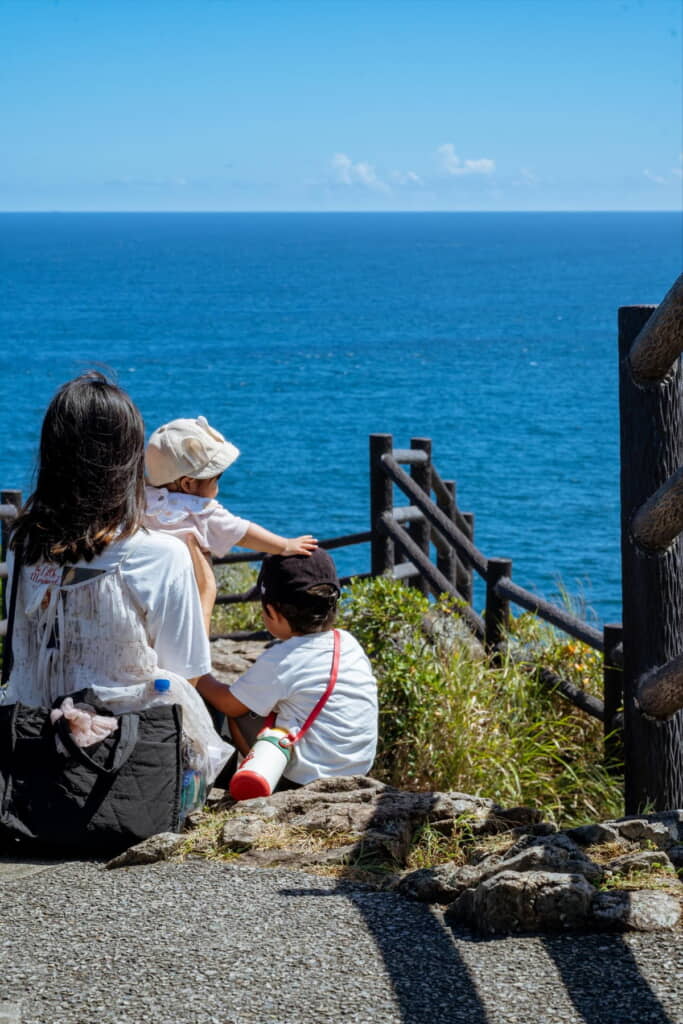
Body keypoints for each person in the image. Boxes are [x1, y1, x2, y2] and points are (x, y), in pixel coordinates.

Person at [3, 372, 230, 779]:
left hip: (32, 763)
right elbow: (185, 679)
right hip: (128, 771)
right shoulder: (160, 555)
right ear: (127, 461)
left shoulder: (23, 547)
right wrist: (207, 593)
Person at [197, 548, 378, 788]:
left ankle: (252, 777)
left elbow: (230, 703)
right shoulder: (347, 642)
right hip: (357, 769)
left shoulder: (283, 659)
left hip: (305, 779)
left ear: (272, 612)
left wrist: (197, 675)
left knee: (235, 711)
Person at [143, 415, 318, 561]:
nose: (217, 487)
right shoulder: (198, 512)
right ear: (188, 484)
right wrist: (285, 545)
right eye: (215, 480)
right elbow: (242, 532)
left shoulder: (139, 500)